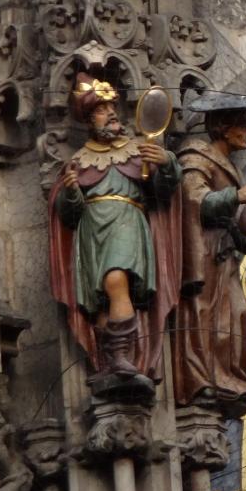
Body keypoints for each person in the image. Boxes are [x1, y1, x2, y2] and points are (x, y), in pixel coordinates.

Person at [48, 73, 181, 385]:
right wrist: (70, 192)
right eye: (100, 110)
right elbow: (69, 215)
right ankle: (109, 362)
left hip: (126, 223)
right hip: (92, 232)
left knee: (115, 280)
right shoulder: (80, 160)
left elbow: (163, 194)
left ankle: (122, 354)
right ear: (88, 120)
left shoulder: (136, 151)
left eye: (111, 108)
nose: (109, 114)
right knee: (100, 301)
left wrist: (166, 163)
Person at [172, 93, 246, 413]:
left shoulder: (228, 167)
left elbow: (232, 226)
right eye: (243, 124)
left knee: (238, 312)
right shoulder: (196, 159)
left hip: (224, 252)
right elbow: (195, 201)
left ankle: (228, 377)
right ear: (223, 128)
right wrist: (237, 195)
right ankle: (202, 379)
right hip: (203, 250)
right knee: (204, 313)